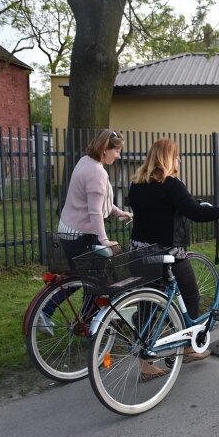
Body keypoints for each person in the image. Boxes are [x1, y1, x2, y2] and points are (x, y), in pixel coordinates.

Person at [129, 138, 219, 377]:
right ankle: (188, 347)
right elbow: (196, 213)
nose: (179, 160)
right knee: (191, 294)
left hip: (139, 252)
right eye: (176, 156)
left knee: (148, 303)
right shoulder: (171, 184)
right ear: (167, 158)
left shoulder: (137, 184)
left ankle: (144, 364)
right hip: (168, 253)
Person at [39, 130, 133, 336]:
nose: (118, 155)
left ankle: (86, 320)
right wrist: (105, 240)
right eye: (116, 150)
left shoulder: (86, 162)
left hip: (69, 230)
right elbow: (94, 213)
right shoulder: (97, 172)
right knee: (94, 280)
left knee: (83, 277)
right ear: (104, 149)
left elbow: (98, 203)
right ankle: (81, 320)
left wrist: (119, 212)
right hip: (81, 234)